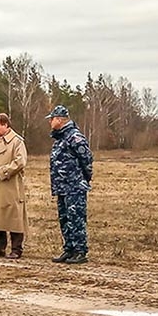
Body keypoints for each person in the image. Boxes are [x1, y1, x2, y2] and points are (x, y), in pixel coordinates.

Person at [47, 105, 93, 264]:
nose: (50, 122)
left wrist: (82, 179)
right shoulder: (60, 138)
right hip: (62, 187)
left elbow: (86, 160)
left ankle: (80, 251)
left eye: (52, 119)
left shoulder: (75, 137)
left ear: (59, 119)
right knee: (65, 219)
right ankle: (69, 249)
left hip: (74, 187)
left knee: (76, 219)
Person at [0, 112, 28, 259]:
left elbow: (20, 162)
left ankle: (16, 249)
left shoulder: (17, 141)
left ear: (5, 125)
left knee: (14, 216)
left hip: (10, 185)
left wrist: (0, 172)